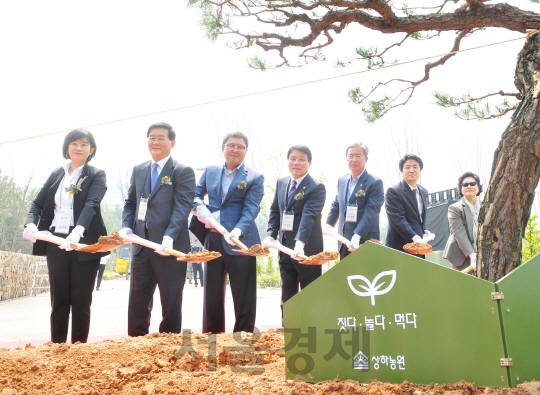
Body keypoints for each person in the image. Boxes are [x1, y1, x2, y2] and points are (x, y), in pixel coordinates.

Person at [23, 129, 108, 344]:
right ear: (67, 147)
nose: (79, 148)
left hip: (83, 243)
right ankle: (57, 348)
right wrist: (30, 223)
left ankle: (78, 351)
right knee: (59, 299)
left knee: (80, 300)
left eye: (84, 144)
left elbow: (91, 204)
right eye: (74, 143)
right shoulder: (57, 174)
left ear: (92, 150)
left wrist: (78, 231)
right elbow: (37, 203)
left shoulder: (96, 174)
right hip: (56, 242)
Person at [119, 122, 196, 336]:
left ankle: (168, 347)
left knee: (170, 303)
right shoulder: (139, 170)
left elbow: (182, 208)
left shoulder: (182, 170)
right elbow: (131, 204)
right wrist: (127, 227)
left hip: (168, 249)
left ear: (172, 142)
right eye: (152, 138)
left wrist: (169, 237)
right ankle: (136, 344)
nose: (156, 142)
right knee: (137, 302)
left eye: (161, 138)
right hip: (141, 246)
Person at [190, 131, 264, 334]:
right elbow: (195, 194)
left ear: (246, 151)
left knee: (244, 294)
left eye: (240, 146)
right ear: (223, 148)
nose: (235, 149)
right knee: (212, 293)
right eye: (231, 145)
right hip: (213, 238)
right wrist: (199, 208)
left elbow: (251, 208)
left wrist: (237, 231)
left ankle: (244, 336)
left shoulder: (254, 177)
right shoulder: (211, 171)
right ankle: (212, 337)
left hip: (242, 242)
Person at [264, 145, 326, 320]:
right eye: (293, 158)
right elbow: (275, 210)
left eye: (301, 159)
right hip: (285, 248)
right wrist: (271, 234)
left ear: (309, 163)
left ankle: (311, 333)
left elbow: (309, 216)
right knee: (287, 292)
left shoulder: (316, 187)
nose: (296, 163)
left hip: (307, 249)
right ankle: (288, 332)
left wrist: (300, 243)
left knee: (309, 294)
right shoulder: (282, 182)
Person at [324, 143, 384, 259]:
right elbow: (337, 204)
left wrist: (357, 235)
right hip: (344, 240)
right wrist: (328, 224)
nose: (354, 159)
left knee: (366, 275)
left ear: (366, 159)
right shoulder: (342, 180)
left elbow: (371, 213)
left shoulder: (374, 182)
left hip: (364, 240)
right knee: (346, 275)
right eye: (351, 156)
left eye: (358, 156)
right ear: (346, 158)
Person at [385, 154, 434, 257]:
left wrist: (425, 230)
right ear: (402, 172)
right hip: (400, 247)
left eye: (415, 167)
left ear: (420, 171)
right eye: (407, 167)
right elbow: (398, 220)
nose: (412, 170)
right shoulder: (394, 191)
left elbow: (419, 217)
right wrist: (414, 237)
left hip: (419, 248)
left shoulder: (423, 191)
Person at [443, 172, 482, 271]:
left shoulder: (485, 207)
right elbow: (459, 233)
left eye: (472, 184)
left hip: (482, 254)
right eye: (465, 184)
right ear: (461, 189)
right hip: (461, 255)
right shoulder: (454, 208)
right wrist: (472, 255)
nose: (469, 186)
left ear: (478, 187)